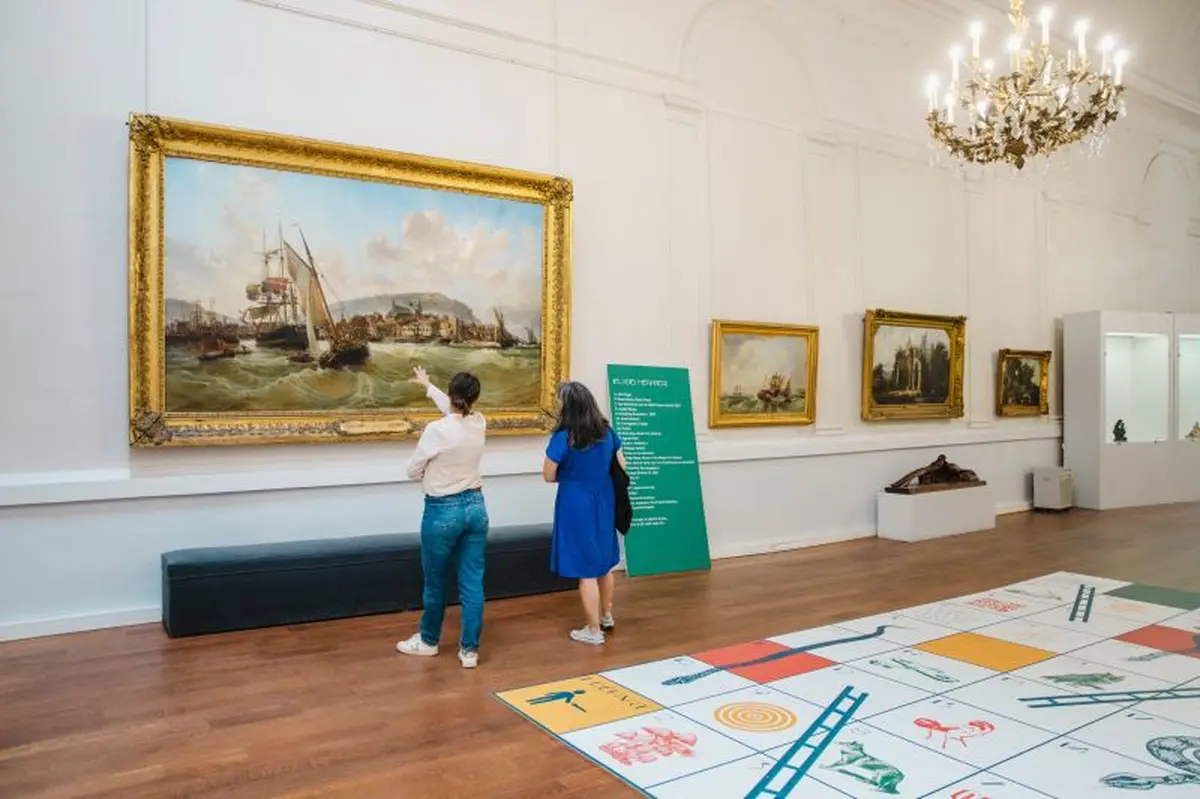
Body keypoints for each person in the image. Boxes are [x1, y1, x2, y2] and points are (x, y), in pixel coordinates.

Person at [397, 366, 489, 669]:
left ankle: (428, 641)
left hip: (442, 512)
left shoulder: (437, 431)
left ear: (453, 395)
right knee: (472, 584)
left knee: (435, 583)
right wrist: (428, 385)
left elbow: (412, 470)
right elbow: (454, 415)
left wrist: (427, 471)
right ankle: (469, 652)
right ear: (474, 399)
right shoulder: (479, 422)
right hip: (476, 508)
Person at [542, 381, 624, 645]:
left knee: (585, 570)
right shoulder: (607, 432)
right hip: (604, 498)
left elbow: (548, 474)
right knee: (604, 563)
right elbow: (622, 466)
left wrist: (571, 476)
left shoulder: (564, 436)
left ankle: (592, 631)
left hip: (575, 502)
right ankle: (606, 616)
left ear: (568, 406)